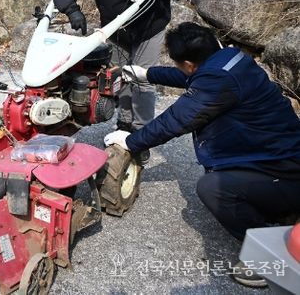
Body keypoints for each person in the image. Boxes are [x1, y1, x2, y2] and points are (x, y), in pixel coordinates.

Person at [104, 22, 300, 289]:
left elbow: (177, 119)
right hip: (276, 156)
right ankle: (279, 209)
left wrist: (130, 141)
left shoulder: (217, 80)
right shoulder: (231, 58)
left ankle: (274, 251)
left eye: (181, 65)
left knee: (213, 189)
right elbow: (193, 77)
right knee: (221, 179)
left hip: (284, 170)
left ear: (189, 63)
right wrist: (147, 74)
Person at [47, 0, 193, 161]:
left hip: (151, 20)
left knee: (142, 77)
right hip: (115, 23)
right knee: (120, 75)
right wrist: (71, 9)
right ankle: (124, 124)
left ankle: (141, 134)